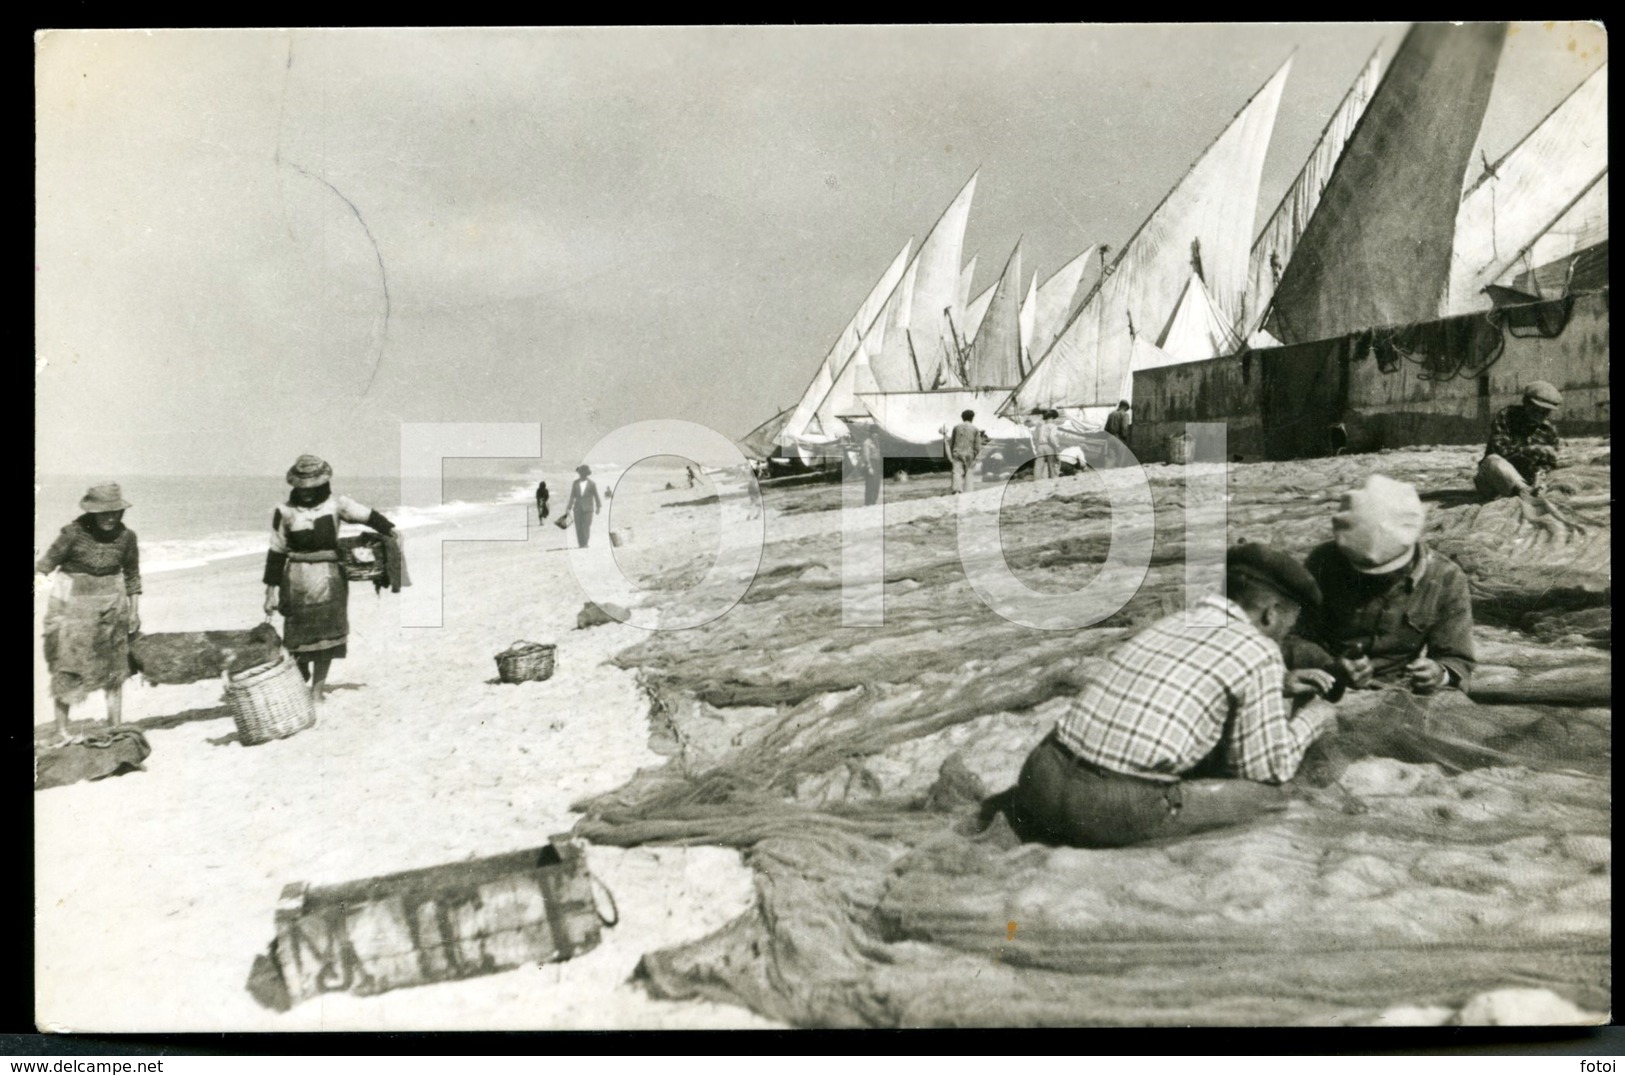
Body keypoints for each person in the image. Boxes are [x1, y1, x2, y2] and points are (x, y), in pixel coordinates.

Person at [1009, 543, 1339, 848]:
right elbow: (1267, 770)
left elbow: (1185, 678)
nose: (1284, 635)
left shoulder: (1177, 623)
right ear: (1272, 614)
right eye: (1288, 626)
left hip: (1039, 778)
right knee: (1275, 794)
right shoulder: (1260, 650)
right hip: (1109, 807)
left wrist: (1278, 683)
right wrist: (1315, 717)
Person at [1282, 474, 1476, 695]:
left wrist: (1439, 673)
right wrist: (1328, 664)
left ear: (1409, 547)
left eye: (1388, 572)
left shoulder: (1445, 578)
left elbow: (1458, 660)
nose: (1376, 582)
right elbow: (1290, 637)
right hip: (1326, 684)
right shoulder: (1323, 563)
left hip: (1404, 694)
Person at [262, 455, 398, 703]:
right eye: (302, 487)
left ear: (322, 484)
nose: (306, 492)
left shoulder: (337, 505)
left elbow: (368, 516)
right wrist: (270, 593)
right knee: (296, 638)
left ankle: (317, 690)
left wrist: (390, 530)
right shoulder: (284, 512)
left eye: (312, 487)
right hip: (295, 581)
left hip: (331, 578)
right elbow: (276, 551)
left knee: (327, 638)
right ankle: (300, 677)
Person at [36, 483, 143, 745]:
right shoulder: (72, 533)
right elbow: (44, 567)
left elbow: (131, 575)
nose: (110, 517)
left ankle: (115, 723)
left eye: (115, 512)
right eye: (103, 512)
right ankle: (61, 730)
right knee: (67, 666)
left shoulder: (128, 538)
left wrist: (134, 612)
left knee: (116, 666)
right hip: (73, 607)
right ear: (92, 511)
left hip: (113, 605)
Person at [1475, 381, 1563, 499]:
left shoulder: (1549, 431)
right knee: (1492, 460)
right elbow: (1498, 450)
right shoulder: (1507, 416)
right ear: (1525, 404)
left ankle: (1528, 491)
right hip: (1493, 479)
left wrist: (1541, 474)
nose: (1541, 415)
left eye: (1546, 412)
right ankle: (1523, 490)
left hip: (1527, 481)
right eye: (1536, 410)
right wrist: (1528, 450)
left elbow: (1549, 465)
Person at [946, 409, 988, 494]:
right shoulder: (975, 429)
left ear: (962, 417)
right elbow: (977, 444)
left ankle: (957, 490)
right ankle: (968, 490)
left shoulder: (956, 427)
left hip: (957, 451)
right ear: (972, 418)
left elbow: (952, 442)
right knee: (969, 471)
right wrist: (978, 455)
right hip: (969, 452)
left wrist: (951, 453)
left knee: (957, 472)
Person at [568, 464, 603, 548]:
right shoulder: (575, 483)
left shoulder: (592, 484)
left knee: (586, 525)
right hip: (577, 508)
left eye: (584, 473)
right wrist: (568, 508)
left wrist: (598, 507)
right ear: (579, 473)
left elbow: (596, 495)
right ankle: (581, 544)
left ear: (587, 474)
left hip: (588, 508)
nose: (582, 475)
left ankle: (585, 543)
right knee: (578, 526)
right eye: (581, 473)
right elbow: (572, 496)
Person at [859, 426, 885, 507]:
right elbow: (866, 456)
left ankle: (873, 502)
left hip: (877, 463)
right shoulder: (867, 443)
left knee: (877, 484)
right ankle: (868, 503)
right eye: (874, 433)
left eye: (877, 433)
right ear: (870, 433)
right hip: (871, 463)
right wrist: (869, 467)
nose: (876, 434)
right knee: (870, 484)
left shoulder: (876, 442)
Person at [1032, 409, 1062, 480]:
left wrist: (1037, 445)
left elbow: (1035, 437)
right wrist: (1057, 446)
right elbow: (1052, 437)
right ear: (1051, 417)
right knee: (1052, 464)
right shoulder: (1052, 426)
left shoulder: (1040, 426)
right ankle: (1053, 478)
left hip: (1040, 446)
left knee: (1038, 464)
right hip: (1049, 446)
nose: (1054, 420)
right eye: (1054, 418)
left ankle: (1037, 480)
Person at [1103, 399, 1132, 468]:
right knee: (1120, 459)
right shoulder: (1124, 415)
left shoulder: (1111, 414)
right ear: (1125, 407)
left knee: (1110, 459)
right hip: (1119, 438)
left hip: (1110, 438)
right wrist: (1125, 438)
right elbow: (1124, 428)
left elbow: (1105, 428)